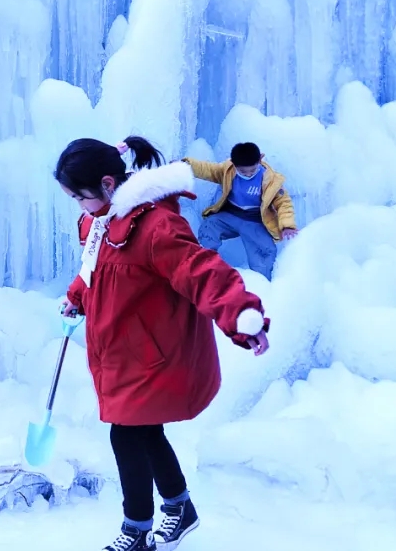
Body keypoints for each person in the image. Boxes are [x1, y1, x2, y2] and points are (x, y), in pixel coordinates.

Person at [57, 136, 270, 551]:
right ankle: (180, 506)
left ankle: (136, 530)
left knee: (126, 435)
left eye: (78, 196)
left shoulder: (156, 226)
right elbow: (93, 272)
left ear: (105, 184)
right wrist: (76, 297)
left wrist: (239, 312)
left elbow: (201, 269)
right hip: (121, 349)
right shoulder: (98, 223)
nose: (77, 206)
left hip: (152, 353)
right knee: (144, 431)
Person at [183, 142, 297, 280]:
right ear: (233, 164)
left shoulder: (270, 180)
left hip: (254, 222)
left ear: (260, 159)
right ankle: (206, 264)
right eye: (243, 171)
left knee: (265, 252)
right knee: (209, 226)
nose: (248, 174)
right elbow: (209, 170)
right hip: (230, 216)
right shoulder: (228, 171)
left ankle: (263, 284)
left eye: (252, 170)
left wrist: (287, 225)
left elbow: (283, 202)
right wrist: (187, 165)